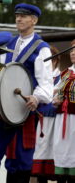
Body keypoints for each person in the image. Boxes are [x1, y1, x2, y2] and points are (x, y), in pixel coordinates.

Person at [0, 3, 53, 183]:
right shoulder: (10, 43)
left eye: (24, 16)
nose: (19, 19)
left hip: (25, 109)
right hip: (5, 108)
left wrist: (36, 97)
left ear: (34, 20)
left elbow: (46, 82)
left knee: (21, 158)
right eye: (17, 16)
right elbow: (1, 64)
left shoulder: (40, 47)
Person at [31, 46, 61, 182]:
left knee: (53, 154)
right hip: (36, 119)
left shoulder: (62, 76)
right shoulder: (39, 79)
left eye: (51, 60)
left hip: (54, 121)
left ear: (55, 61)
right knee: (38, 157)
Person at [52, 39, 75, 182]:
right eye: (72, 50)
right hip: (62, 119)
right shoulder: (65, 73)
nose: (73, 53)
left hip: (74, 119)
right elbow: (54, 92)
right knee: (61, 150)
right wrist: (54, 100)